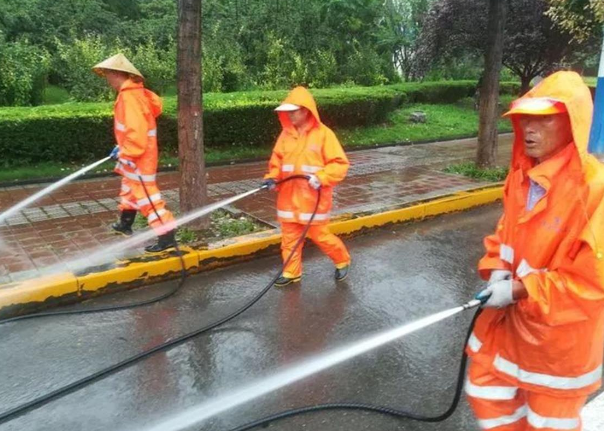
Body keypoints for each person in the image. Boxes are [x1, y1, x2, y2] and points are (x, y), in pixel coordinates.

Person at [467, 71, 604, 430]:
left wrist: (519, 288)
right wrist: (497, 267)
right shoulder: (523, 177)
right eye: (525, 119)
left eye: (543, 120)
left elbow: (592, 283)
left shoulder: (595, 192)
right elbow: (504, 235)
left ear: (572, 124)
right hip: (510, 328)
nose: (529, 129)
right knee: (485, 389)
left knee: (548, 423)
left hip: (558, 346)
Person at [262, 86, 351, 287]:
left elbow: (339, 164)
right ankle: (291, 272)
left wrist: (321, 177)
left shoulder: (324, 135)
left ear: (306, 110)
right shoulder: (285, 136)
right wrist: (271, 178)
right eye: (288, 111)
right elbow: (277, 162)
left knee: (321, 237)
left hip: (313, 201)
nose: (289, 115)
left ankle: (342, 260)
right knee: (289, 239)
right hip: (288, 199)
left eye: (293, 111)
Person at [92, 53, 176, 253]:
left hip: (139, 159)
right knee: (129, 189)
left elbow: (136, 134)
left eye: (108, 75)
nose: (107, 80)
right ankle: (125, 223)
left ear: (118, 74)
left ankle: (167, 236)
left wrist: (126, 152)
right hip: (134, 157)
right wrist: (121, 148)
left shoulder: (129, 97)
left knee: (148, 199)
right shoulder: (134, 94)